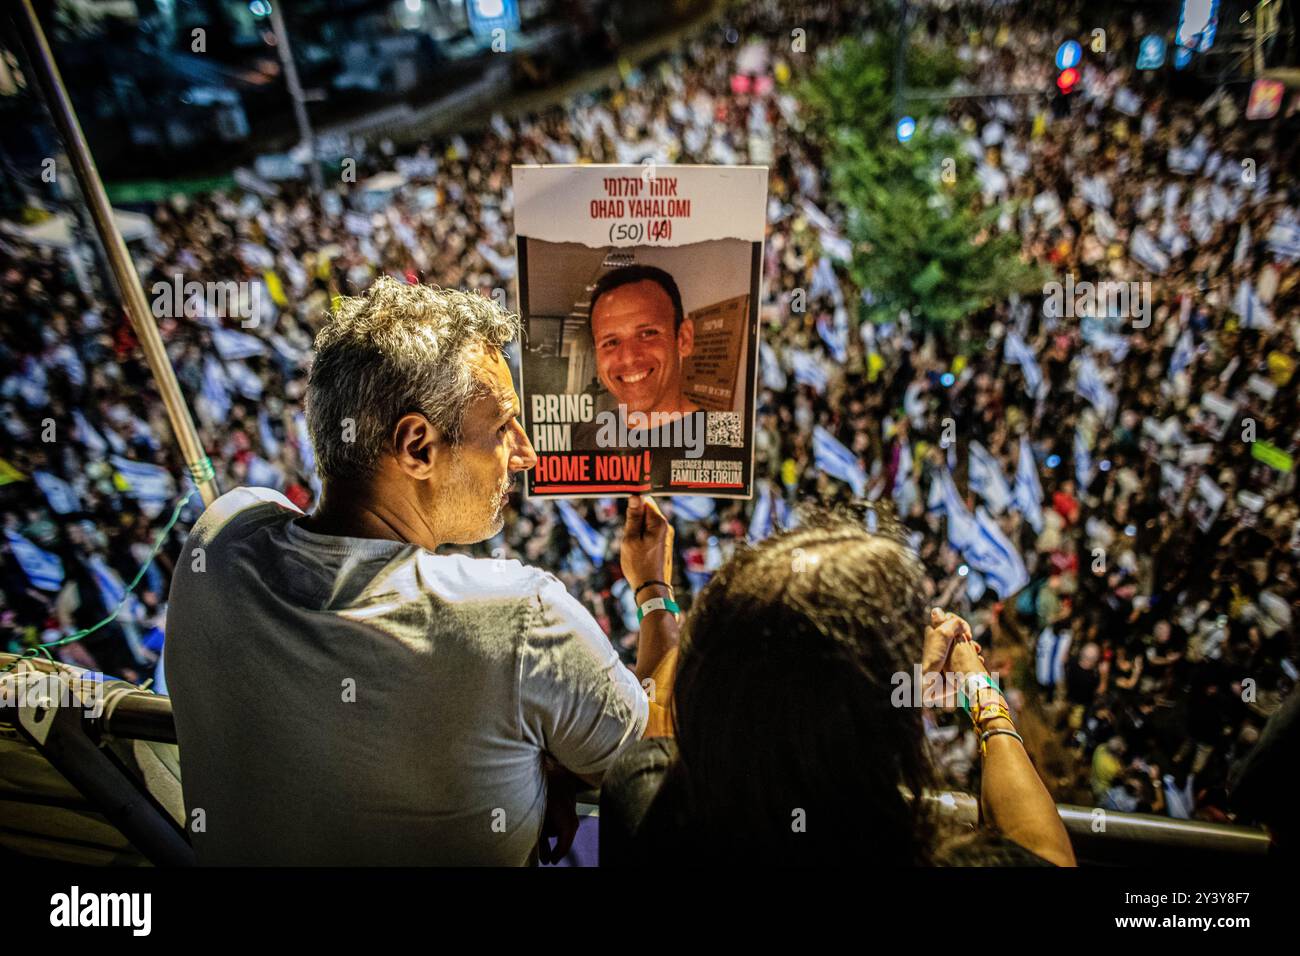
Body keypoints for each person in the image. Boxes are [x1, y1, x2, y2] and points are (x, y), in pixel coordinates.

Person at [165, 278, 680, 865]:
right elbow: (653, 768)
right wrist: (653, 590)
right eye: (503, 425)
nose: (525, 451)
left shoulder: (222, 536)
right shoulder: (521, 621)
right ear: (416, 446)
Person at [599, 507, 1076, 866]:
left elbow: (664, 715)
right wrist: (979, 693)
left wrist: (653, 591)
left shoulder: (648, 804)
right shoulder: (929, 856)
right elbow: (1045, 851)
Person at [587, 265, 701, 421]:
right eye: (611, 342)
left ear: (683, 339)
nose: (628, 357)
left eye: (647, 334)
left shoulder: (726, 435)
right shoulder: (580, 435)